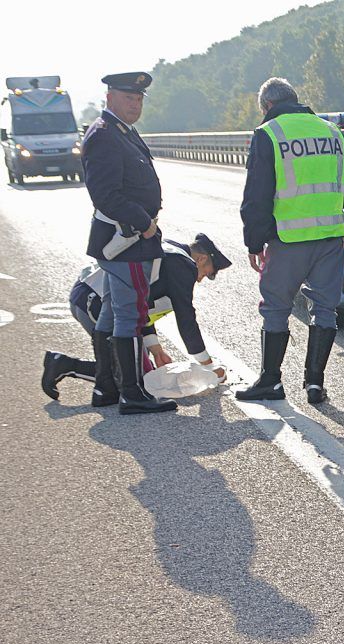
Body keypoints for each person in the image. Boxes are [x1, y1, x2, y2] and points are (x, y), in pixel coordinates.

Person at [237, 77, 344, 405]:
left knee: (276, 308)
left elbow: (257, 195)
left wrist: (254, 242)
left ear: (266, 106)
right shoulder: (332, 132)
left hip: (288, 239)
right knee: (325, 309)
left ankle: (270, 382)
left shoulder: (268, 135)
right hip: (330, 236)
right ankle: (315, 384)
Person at [82, 71, 176, 415]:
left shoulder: (122, 132)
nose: (135, 105)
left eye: (138, 99)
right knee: (131, 315)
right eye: (128, 98)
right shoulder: (105, 135)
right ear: (110, 98)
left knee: (111, 314)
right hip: (126, 240)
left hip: (130, 239)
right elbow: (105, 194)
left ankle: (106, 386)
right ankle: (133, 393)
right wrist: (143, 222)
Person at [42, 235, 232, 401]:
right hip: (95, 301)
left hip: (90, 296)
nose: (199, 280)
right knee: (134, 378)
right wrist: (208, 365)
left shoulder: (171, 250)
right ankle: (63, 365)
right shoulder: (183, 265)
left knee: (138, 365)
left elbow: (142, 302)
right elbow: (186, 317)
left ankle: (70, 368)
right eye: (206, 274)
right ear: (201, 259)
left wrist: (155, 349)